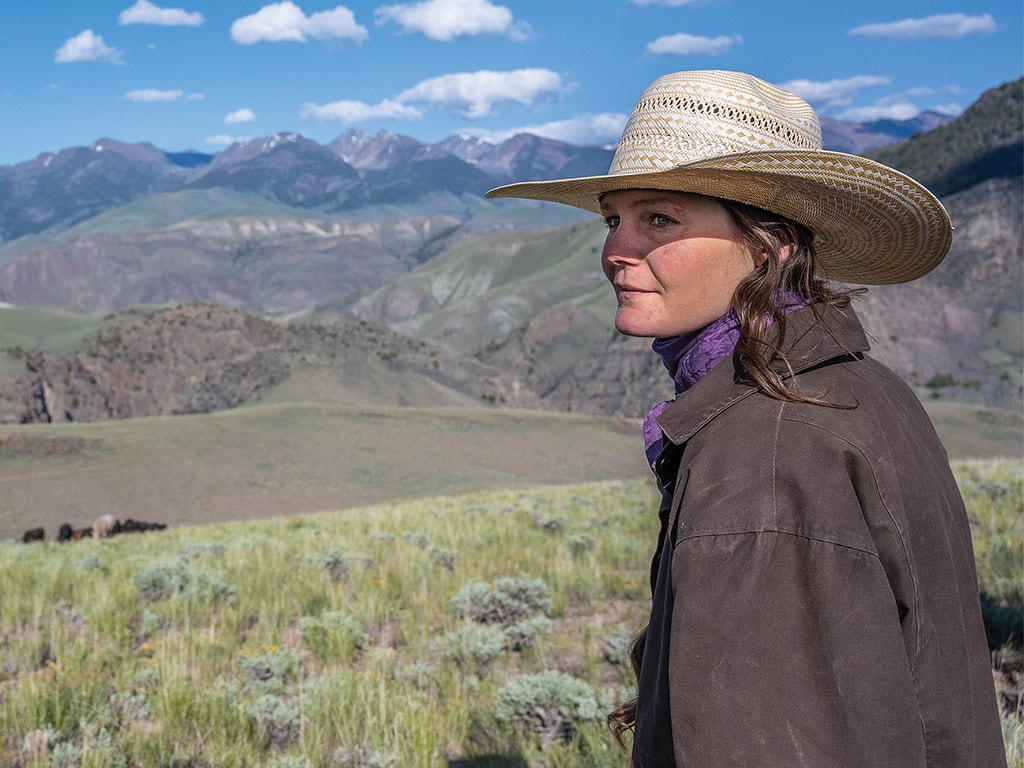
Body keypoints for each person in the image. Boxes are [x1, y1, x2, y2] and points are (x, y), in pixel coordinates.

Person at [486, 70, 1007, 767]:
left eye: (660, 219)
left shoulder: (761, 451)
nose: (615, 251)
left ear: (773, 243)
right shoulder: (862, 387)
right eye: (615, 219)